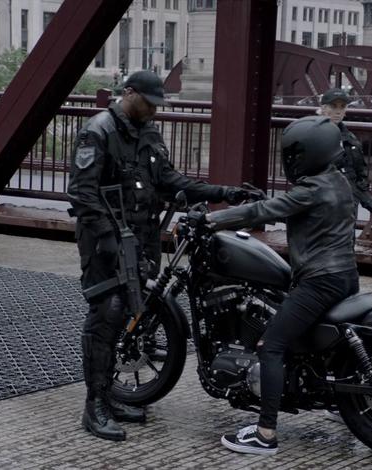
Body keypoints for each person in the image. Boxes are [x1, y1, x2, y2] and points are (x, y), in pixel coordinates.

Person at [67, 70, 252, 442]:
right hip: (106, 245)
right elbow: (82, 195)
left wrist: (223, 192)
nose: (154, 110)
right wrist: (109, 238)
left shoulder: (148, 133)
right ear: (129, 93)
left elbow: (170, 181)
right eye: (149, 102)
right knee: (106, 318)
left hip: (141, 242)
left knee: (130, 316)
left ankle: (111, 399)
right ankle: (95, 407)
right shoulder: (98, 131)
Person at [200, 116, 360, 455]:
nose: (290, 159)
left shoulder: (312, 190)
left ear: (307, 154)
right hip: (345, 276)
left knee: (271, 344)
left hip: (318, 281)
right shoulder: (340, 182)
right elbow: (291, 204)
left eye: (293, 153)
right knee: (316, 341)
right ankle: (338, 402)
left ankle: (265, 433)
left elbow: (263, 211)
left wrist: (212, 218)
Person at [319, 88, 372, 215]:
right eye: (333, 106)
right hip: (324, 201)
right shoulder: (314, 134)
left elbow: (359, 171)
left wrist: (361, 191)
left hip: (348, 202)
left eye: (342, 106)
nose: (338, 111)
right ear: (323, 108)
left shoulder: (350, 138)